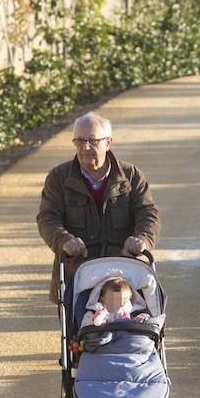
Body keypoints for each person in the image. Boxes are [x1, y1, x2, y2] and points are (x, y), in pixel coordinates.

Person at [37, 112, 160, 302]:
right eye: (79, 141)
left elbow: (148, 213)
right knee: (78, 327)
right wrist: (64, 240)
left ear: (108, 142)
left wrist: (142, 238)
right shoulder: (58, 178)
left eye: (92, 141)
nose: (85, 147)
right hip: (76, 273)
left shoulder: (132, 176)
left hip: (124, 273)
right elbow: (47, 218)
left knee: (129, 327)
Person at [81, 278, 150, 329]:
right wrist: (93, 321)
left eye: (123, 301)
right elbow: (83, 327)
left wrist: (140, 318)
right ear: (103, 299)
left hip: (124, 339)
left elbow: (132, 323)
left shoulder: (128, 312)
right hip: (103, 340)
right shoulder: (95, 311)